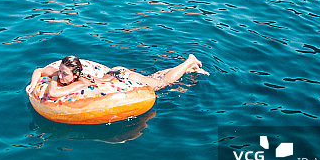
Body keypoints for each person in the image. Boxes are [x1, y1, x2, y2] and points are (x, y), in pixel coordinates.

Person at [27, 54, 208, 100]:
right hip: (110, 74)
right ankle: (190, 68)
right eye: (59, 71)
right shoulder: (61, 74)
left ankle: (188, 61)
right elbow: (38, 70)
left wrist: (52, 80)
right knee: (152, 78)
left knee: (162, 83)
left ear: (74, 74)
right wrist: (32, 83)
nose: (60, 75)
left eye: (64, 73)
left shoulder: (79, 82)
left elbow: (53, 94)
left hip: (121, 77)